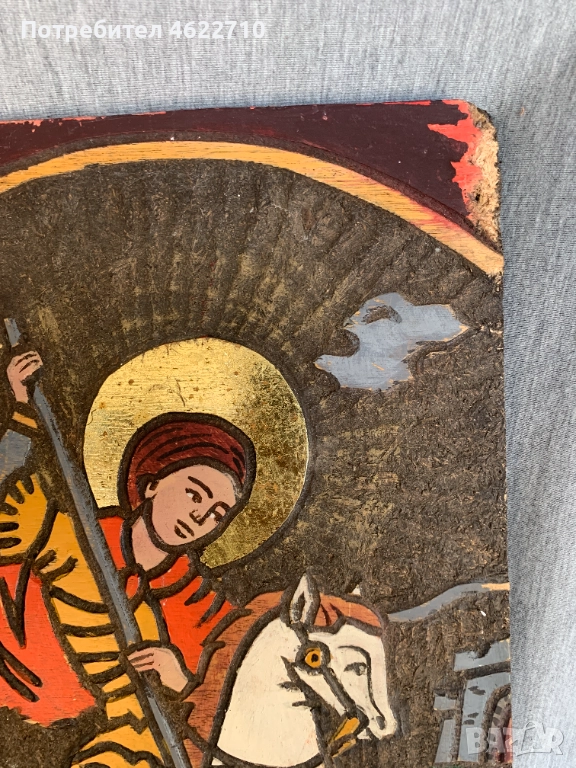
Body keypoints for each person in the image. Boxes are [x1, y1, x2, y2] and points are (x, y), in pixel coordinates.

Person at [0, 350, 255, 768]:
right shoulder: (69, 534)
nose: (200, 518)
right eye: (194, 494)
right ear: (152, 483)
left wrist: (184, 682)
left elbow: (238, 706)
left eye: (217, 514)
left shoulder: (204, 606)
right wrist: (23, 414)